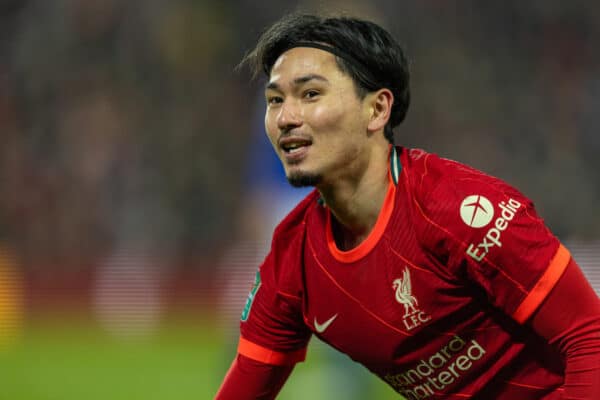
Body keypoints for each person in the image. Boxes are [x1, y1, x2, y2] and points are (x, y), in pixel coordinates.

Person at [216, 13, 600, 399]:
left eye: (310, 94)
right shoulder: (291, 263)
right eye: (275, 100)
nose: (285, 117)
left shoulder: (460, 210)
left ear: (378, 109)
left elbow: (589, 334)